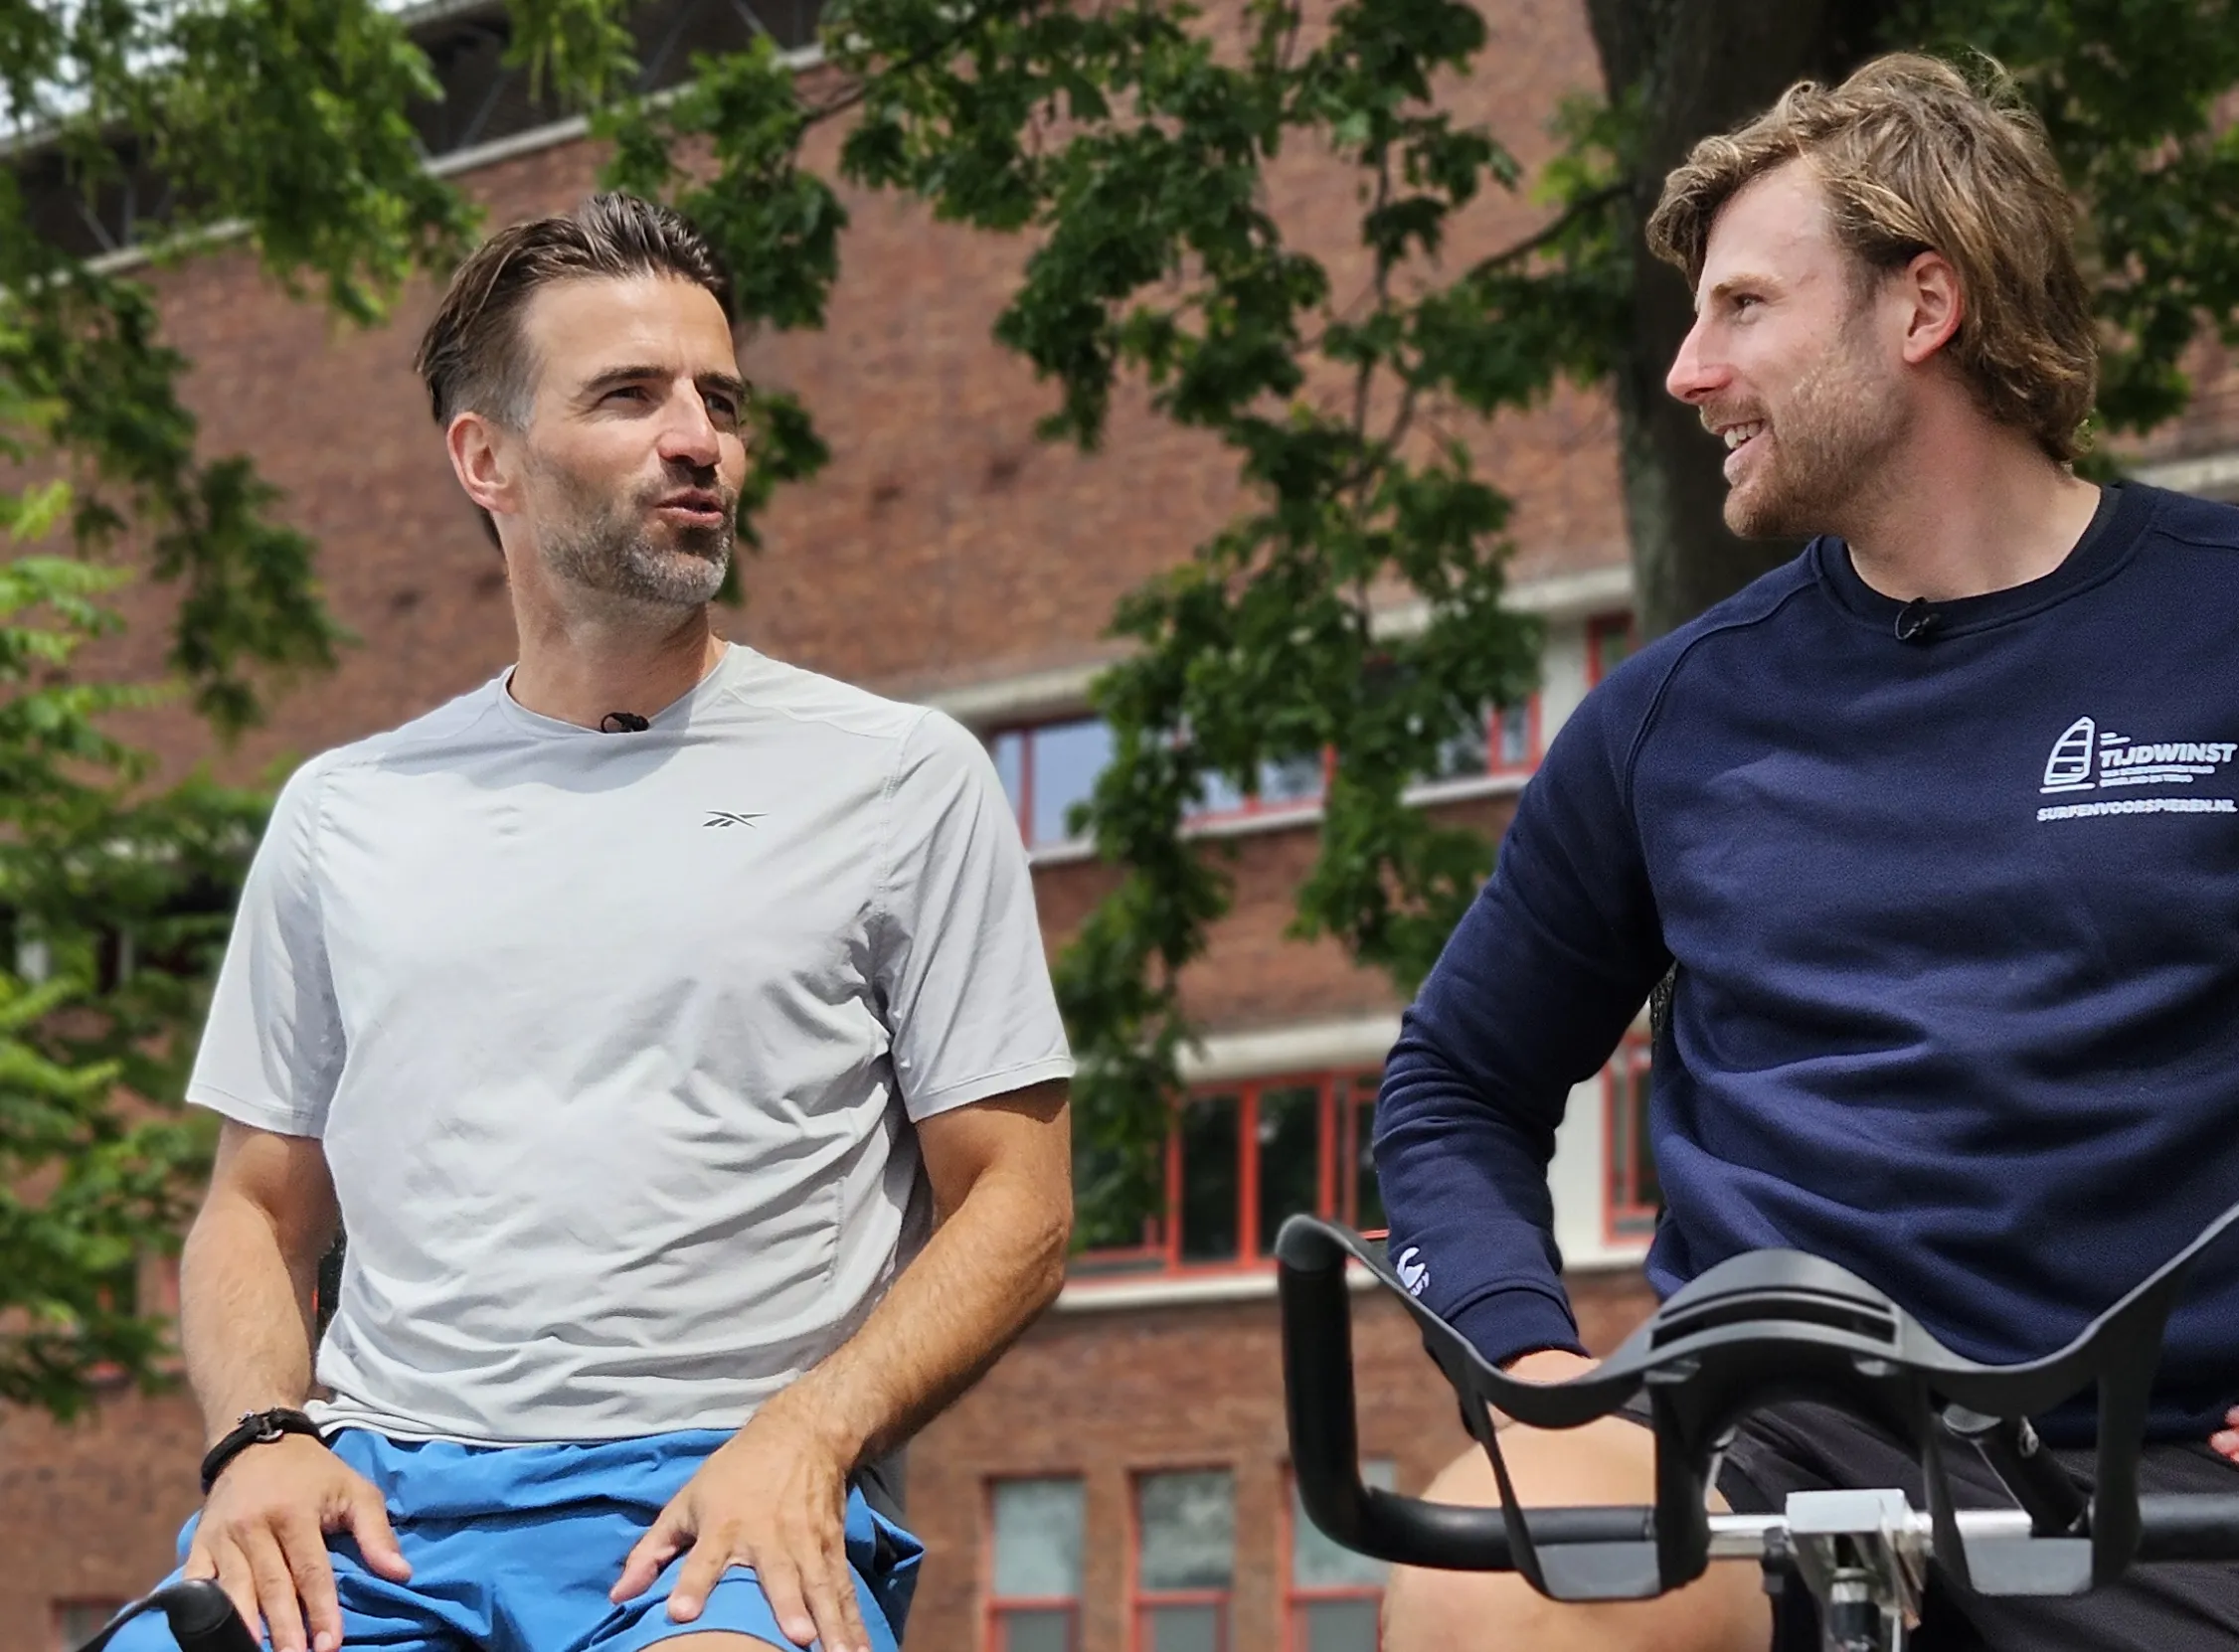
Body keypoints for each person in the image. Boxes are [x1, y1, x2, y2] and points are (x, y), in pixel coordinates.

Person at [113, 194, 1076, 1652]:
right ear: (482, 456)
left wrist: (811, 1435)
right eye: (630, 395)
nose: (698, 436)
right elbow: (255, 1207)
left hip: (718, 1504)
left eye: (720, 400)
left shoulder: (899, 779)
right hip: (370, 1512)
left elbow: (1019, 1197)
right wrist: (256, 1435)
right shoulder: (343, 809)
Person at [1374, 53, 2239, 1652]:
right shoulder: (1667, 718)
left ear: (1923, 306)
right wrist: (1543, 1379)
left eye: (1744, 309)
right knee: (1484, 1596)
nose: (1689, 371)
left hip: (2176, 1467)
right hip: (1774, 1459)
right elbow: (1452, 1087)